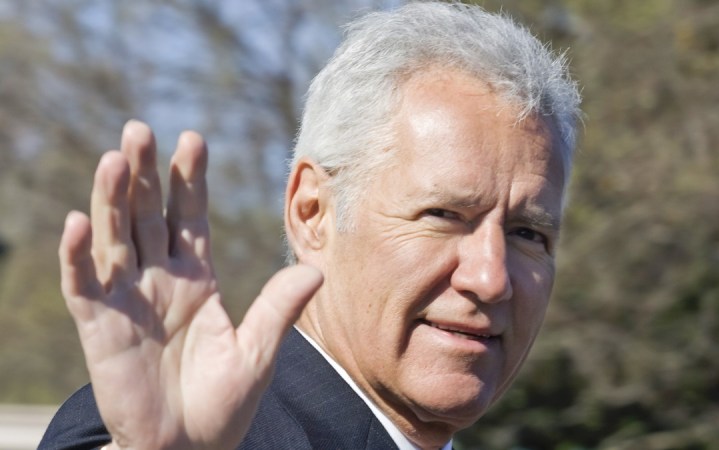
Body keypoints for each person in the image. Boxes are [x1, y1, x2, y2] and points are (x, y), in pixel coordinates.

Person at [40, 2, 581, 449]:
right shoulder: (213, 430)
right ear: (312, 212)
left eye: (527, 234)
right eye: (444, 215)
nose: (490, 278)